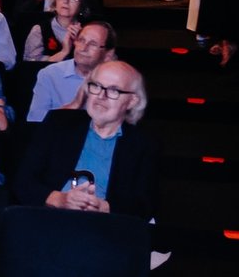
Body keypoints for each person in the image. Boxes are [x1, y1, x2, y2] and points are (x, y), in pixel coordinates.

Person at [14, 61, 157, 217]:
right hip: (49, 220)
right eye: (96, 86)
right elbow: (23, 181)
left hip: (105, 230)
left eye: (114, 90)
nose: (101, 96)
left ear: (132, 101)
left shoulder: (142, 144)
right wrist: (60, 199)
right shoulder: (59, 123)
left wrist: (104, 207)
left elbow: (145, 205)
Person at [27, 20, 116, 121]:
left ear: (108, 54)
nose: (83, 48)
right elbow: (36, 122)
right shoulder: (49, 75)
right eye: (81, 40)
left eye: (93, 44)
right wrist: (74, 105)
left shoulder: (117, 81)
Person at [23, 0, 88, 63]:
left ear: (81, 5)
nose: (66, 1)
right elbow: (31, 65)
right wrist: (64, 52)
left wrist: (80, 43)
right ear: (55, 0)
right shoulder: (39, 30)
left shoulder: (88, 30)